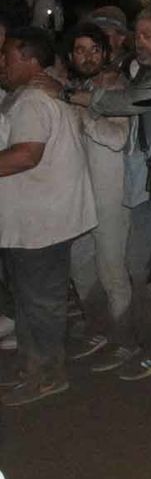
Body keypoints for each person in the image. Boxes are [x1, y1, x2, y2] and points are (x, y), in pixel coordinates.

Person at [75, 5, 151, 379]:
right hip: (144, 185)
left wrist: (76, 97)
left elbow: (130, 103)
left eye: (147, 35)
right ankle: (144, 342)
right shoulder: (138, 72)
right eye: (137, 35)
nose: (139, 42)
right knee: (142, 269)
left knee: (149, 270)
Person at [0, 27, 96, 406]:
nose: (2, 63)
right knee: (31, 301)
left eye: (7, 56)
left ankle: (47, 375)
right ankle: (34, 367)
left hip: (41, 224)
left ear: (29, 59)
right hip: (36, 221)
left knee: (40, 302)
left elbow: (26, 154)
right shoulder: (26, 98)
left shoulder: (33, 102)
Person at [63, 21, 139, 370]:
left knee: (112, 271)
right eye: (80, 50)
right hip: (79, 198)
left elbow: (117, 138)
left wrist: (85, 115)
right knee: (80, 267)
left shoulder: (116, 88)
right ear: (70, 55)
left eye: (94, 50)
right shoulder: (72, 89)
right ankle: (101, 328)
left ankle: (125, 341)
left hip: (110, 197)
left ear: (106, 54)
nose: (88, 57)